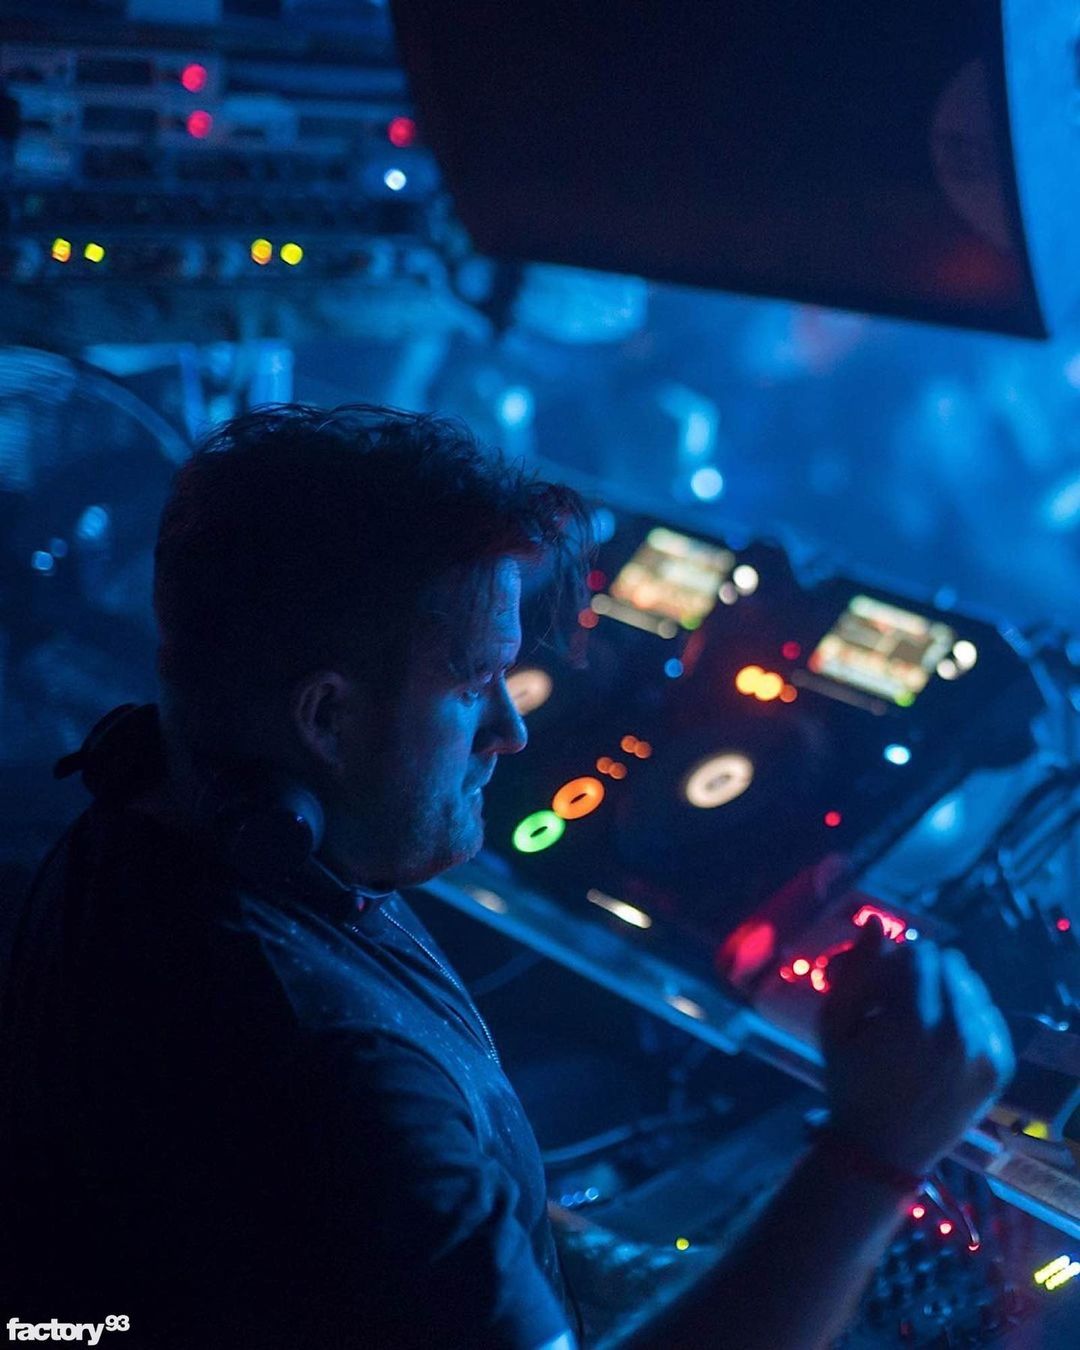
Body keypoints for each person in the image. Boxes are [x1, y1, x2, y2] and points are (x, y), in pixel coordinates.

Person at [0, 404, 1014, 1350]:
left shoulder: (134, 820)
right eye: (475, 682)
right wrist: (876, 1155)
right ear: (328, 717)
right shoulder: (341, 1065)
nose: (512, 729)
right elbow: (383, 1162)